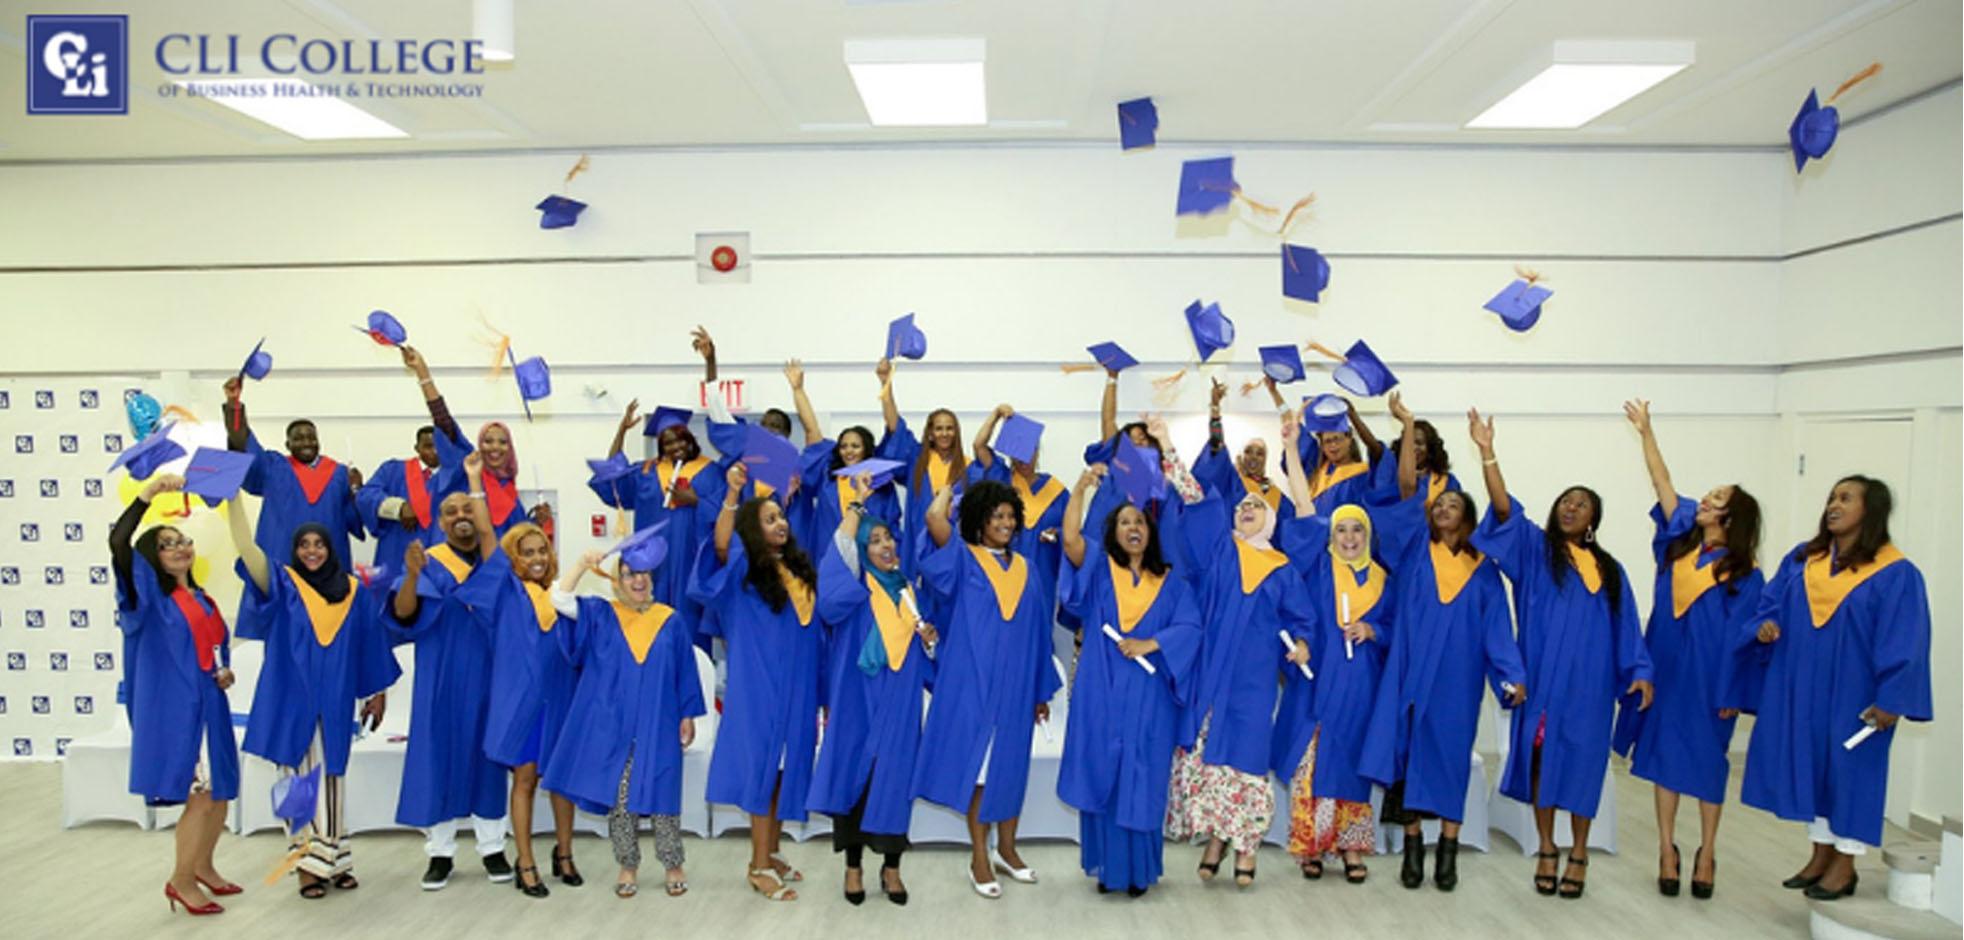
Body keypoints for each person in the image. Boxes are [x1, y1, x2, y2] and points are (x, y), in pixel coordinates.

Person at [1468, 408, 1653, 900]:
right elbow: (1504, 509)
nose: (1570, 508)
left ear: (1595, 518)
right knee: (1542, 761)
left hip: (1591, 691)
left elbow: (1628, 628)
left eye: (1582, 504)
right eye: (1565, 502)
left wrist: (1638, 671)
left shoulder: (1610, 571)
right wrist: (1488, 451)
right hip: (1546, 684)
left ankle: (1580, 851)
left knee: (1585, 767)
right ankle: (1547, 847)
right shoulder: (1536, 550)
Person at [1357, 392, 1527, 892]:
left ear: (1468, 517)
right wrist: (1373, 629)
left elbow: (1499, 632)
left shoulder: (1483, 573)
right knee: (1409, 757)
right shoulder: (1413, 558)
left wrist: (1511, 676)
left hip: (1458, 682)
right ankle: (1413, 848)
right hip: (1410, 677)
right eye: (1440, 505)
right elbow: (1388, 615)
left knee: (1451, 758)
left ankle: (1447, 851)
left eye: (1454, 503)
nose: (1445, 507)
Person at [1734, 475, 1931, 902]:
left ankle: (1846, 863)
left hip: (1857, 695)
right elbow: (1768, 606)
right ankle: (1820, 854)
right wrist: (1765, 628)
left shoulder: (1895, 572)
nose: (1833, 506)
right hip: (1802, 686)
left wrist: (1892, 697)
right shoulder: (1804, 560)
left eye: (1846, 498)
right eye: (1831, 498)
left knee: (1851, 774)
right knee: (1811, 768)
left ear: (1871, 510)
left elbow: (1906, 638)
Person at [1158, 412, 1314, 889]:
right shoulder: (1220, 551)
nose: (1246, 509)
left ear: (1269, 517)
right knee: (1209, 757)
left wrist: (1304, 645)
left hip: (1252, 680)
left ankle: (1245, 849)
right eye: (1241, 506)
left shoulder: (1283, 567)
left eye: (1255, 507)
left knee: (1246, 758)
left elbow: (1301, 619)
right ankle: (1214, 841)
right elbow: (1195, 498)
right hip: (1211, 676)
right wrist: (1166, 442)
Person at [1616, 400, 1764, 900]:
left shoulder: (1746, 573)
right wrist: (1647, 434)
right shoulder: (1678, 547)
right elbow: (1663, 484)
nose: (1705, 499)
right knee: (1660, 759)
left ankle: (1706, 850)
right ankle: (1665, 848)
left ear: (1733, 515)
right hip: (1666, 669)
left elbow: (1743, 640)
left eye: (1717, 498)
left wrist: (1734, 691)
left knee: (1706, 764)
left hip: (1711, 682)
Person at [227, 500, 399, 898]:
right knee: (297, 779)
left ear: (331, 548)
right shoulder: (283, 584)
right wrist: (234, 503)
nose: (311, 551)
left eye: (318, 544)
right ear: (294, 550)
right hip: (290, 697)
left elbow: (369, 645)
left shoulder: (353, 591)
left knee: (332, 777)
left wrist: (377, 691)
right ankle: (307, 863)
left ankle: (334, 857)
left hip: (335, 699)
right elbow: (249, 552)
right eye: (303, 544)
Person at [911, 479, 1062, 899]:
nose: (1006, 522)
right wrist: (948, 486)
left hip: (1015, 684)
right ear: (979, 520)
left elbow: (1037, 633)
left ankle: (1007, 851)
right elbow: (933, 518)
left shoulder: (1029, 568)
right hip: (972, 681)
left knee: (1010, 767)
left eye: (1011, 515)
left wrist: (1039, 690)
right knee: (980, 771)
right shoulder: (963, 558)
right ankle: (979, 854)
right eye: (997, 515)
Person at [1056, 465, 1201, 897]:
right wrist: (1080, 488)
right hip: (1102, 690)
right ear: (1112, 533)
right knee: (1107, 773)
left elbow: (1191, 628)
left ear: (1150, 532)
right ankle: (1108, 869)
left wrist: (1151, 643)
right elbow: (1069, 541)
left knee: (1144, 776)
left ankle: (1140, 872)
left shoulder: (1171, 580)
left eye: (1139, 522)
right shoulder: (1100, 568)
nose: (1132, 528)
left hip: (1150, 694)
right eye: (1124, 522)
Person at [689, 462, 824, 902]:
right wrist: (732, 494)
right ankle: (758, 864)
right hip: (760, 688)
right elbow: (722, 544)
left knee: (786, 769)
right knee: (763, 772)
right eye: (769, 519)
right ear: (753, 529)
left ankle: (772, 849)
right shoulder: (744, 575)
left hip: (798, 688)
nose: (781, 523)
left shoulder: (799, 573)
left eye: (781, 516)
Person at [110, 474, 241, 916]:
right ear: (151, 559)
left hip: (210, 702)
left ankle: (203, 866)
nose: (181, 547)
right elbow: (120, 542)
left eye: (183, 539)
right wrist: (148, 496)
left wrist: (224, 671)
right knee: (200, 794)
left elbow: (210, 647)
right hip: (177, 709)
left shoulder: (200, 597)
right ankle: (180, 880)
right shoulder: (146, 600)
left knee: (221, 791)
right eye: (168, 544)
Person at [545, 543, 705, 901]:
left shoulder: (670, 619)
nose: (638, 580)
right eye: (629, 573)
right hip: (612, 723)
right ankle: (627, 863)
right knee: (620, 799)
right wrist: (581, 565)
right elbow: (559, 599)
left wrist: (687, 714)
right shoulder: (601, 614)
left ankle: (672, 863)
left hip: (659, 719)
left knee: (664, 795)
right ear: (616, 581)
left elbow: (684, 672)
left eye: (643, 573)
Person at [1271, 416, 1391, 885]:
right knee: (1311, 766)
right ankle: (1311, 846)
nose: (1349, 539)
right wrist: (1290, 445)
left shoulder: (1383, 580)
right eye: (1342, 532)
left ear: (1367, 536)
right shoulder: (1318, 568)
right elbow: (1303, 508)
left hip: (1361, 684)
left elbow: (1395, 628)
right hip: (1318, 679)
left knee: (1351, 765)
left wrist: (1373, 630)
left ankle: (1352, 846)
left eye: (1356, 533)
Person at [808, 482, 937, 906]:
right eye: (875, 540)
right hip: (857, 701)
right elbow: (841, 548)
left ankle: (893, 868)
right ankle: (853, 867)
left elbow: (918, 649)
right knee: (855, 779)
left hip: (899, 703)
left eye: (888, 539)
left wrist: (929, 640)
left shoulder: (907, 589)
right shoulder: (855, 586)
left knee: (895, 780)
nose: (885, 545)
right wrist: (856, 508)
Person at [388, 479, 512, 890]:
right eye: (451, 512)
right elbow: (404, 614)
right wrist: (411, 575)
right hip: (439, 675)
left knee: (488, 760)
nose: (460, 517)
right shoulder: (429, 559)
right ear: (439, 522)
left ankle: (492, 848)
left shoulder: (494, 559)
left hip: (488, 674)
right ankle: (439, 854)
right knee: (435, 757)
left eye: (467, 510)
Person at [478, 502, 582, 899]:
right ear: (514, 558)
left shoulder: (559, 595)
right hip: (521, 703)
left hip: (558, 699)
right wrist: (475, 488)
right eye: (528, 552)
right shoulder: (507, 592)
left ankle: (565, 854)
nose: (537, 559)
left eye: (543, 550)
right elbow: (489, 542)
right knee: (524, 780)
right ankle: (525, 862)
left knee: (561, 782)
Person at [222, 375, 365, 634]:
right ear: (287, 444)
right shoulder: (274, 467)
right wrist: (234, 406)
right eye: (298, 438)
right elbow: (243, 445)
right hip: (282, 567)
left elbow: (355, 520)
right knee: (282, 635)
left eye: (311, 437)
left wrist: (357, 490)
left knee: (329, 632)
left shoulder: (339, 474)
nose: (306, 443)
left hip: (329, 571)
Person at [588, 392, 728, 614]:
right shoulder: (647, 472)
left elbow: (727, 515)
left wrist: (695, 501)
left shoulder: (711, 472)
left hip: (691, 563)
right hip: (653, 563)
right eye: (668, 443)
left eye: (681, 439)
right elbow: (613, 474)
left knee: (689, 624)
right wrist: (622, 431)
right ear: (662, 447)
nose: (677, 446)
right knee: (653, 618)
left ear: (690, 439)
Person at [400, 345, 548, 539]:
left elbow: (514, 538)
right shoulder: (466, 469)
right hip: (456, 563)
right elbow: (444, 422)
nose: (495, 447)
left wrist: (537, 522)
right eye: (488, 441)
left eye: (502, 442)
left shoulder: (507, 488)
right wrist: (423, 373)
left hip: (492, 568)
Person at [968, 403, 1071, 645]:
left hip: (1043, 571)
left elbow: (1073, 531)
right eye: (1019, 453)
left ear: (1038, 452)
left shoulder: (1056, 490)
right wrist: (995, 416)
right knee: (1003, 626)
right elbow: (979, 446)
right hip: (1003, 566)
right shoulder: (1002, 479)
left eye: (1030, 451)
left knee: (1037, 632)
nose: (1024, 459)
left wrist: (1057, 533)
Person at [786, 359, 902, 553]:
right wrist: (798, 390)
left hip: (871, 561)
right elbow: (812, 430)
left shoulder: (882, 485)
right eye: (844, 446)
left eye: (855, 446)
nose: (848, 451)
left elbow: (892, 527)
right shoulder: (829, 476)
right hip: (830, 557)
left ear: (866, 449)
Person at [872, 356, 965, 583]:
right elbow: (896, 427)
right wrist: (886, 384)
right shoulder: (917, 458)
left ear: (956, 432)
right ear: (930, 433)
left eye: (949, 428)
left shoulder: (967, 467)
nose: (944, 433)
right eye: (939, 428)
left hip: (952, 547)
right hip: (919, 546)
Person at [1194, 378, 1295, 523]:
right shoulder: (1232, 481)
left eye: (1260, 453)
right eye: (1248, 451)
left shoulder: (1277, 497)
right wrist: (1215, 409)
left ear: (1266, 460)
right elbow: (1217, 445)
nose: (1253, 457)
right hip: (1234, 544)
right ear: (1240, 457)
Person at [356, 422, 441, 587]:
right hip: (396, 552)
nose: (435, 451)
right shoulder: (393, 470)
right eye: (428, 446)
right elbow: (365, 496)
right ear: (417, 448)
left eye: (440, 446)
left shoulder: (455, 477)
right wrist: (398, 508)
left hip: (437, 555)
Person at [1299, 395, 1382, 515]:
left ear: (1349, 439)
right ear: (1322, 446)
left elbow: (1376, 451)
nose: (1333, 445)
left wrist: (1353, 415)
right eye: (1327, 441)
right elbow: (1294, 443)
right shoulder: (1317, 474)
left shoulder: (1363, 473)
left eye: (1337, 439)